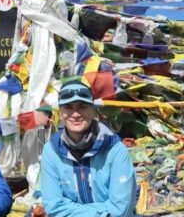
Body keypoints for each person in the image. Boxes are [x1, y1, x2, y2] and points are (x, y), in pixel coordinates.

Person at [39, 79, 137, 216]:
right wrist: (103, 210)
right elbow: (53, 207)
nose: (76, 114)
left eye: (82, 106)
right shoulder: (51, 152)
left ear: (93, 110)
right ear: (60, 113)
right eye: (68, 107)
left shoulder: (115, 149)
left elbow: (120, 209)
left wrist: (71, 210)